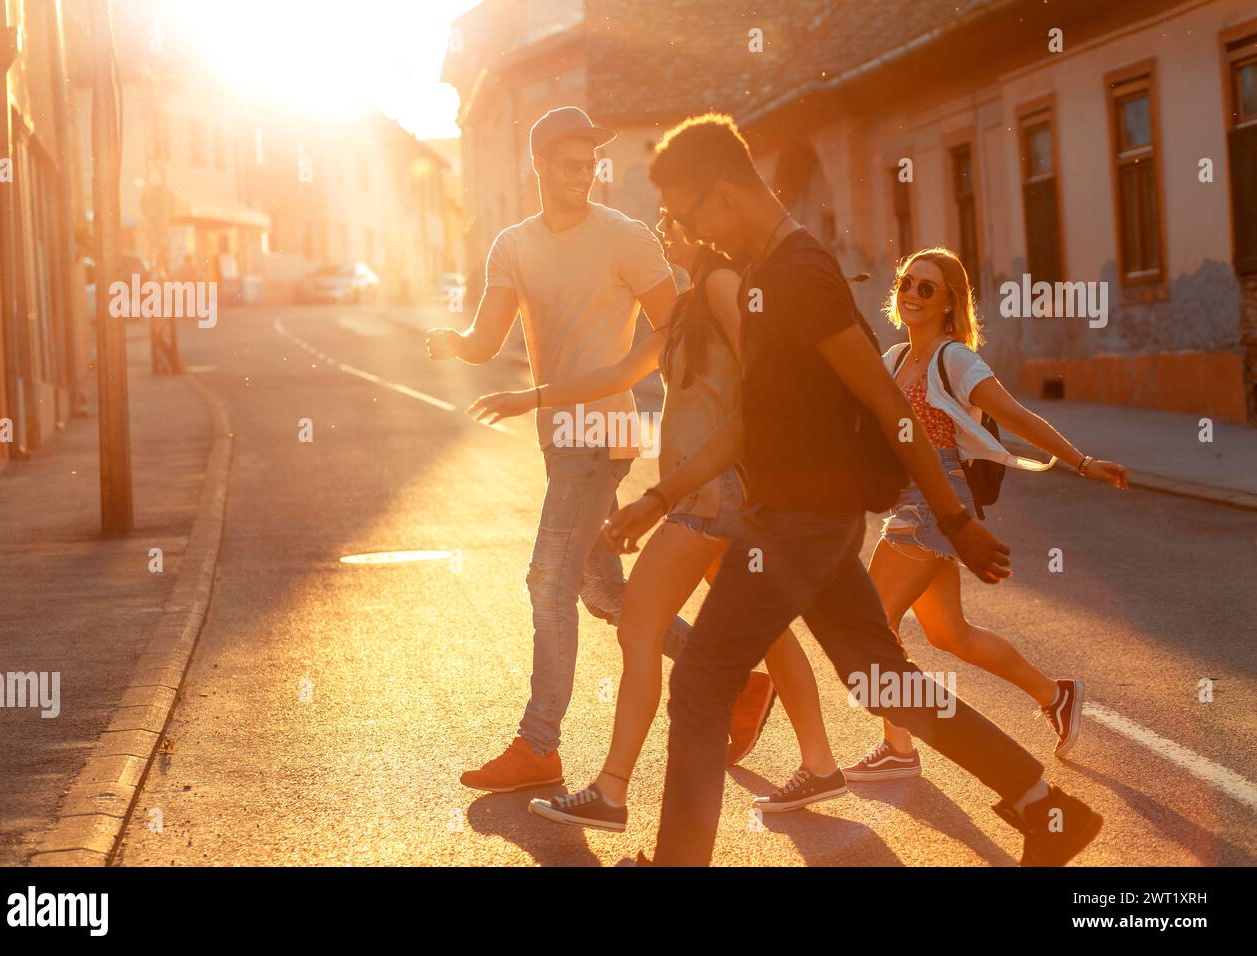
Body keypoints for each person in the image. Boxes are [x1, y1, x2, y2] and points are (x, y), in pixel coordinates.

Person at [604, 112, 1103, 867]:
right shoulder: (770, 274)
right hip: (810, 523)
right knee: (883, 683)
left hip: (800, 525)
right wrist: (662, 495)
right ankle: (1046, 811)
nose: (690, 232)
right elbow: (750, 418)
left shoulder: (799, 274)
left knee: (703, 683)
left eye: (687, 212)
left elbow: (887, 401)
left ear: (728, 192)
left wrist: (952, 517)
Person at [425, 106, 772, 793]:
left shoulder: (626, 236)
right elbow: (488, 337)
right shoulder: (513, 245)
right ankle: (737, 682)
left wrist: (685, 421)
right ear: (540, 167)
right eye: (570, 164)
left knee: (547, 581)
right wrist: (455, 343)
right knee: (604, 592)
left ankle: (539, 744)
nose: (584, 175)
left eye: (591, 163)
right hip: (561, 437)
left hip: (602, 433)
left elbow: (678, 329)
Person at [467, 214, 846, 831]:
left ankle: (612, 794)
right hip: (710, 492)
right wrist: (530, 397)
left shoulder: (722, 287)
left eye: (673, 218)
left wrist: (670, 492)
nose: (664, 229)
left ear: (705, 227)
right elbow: (620, 374)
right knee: (768, 628)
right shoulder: (689, 304)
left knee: (638, 622)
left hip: (711, 492)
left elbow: (763, 385)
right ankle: (821, 764)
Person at [842, 248, 1130, 782]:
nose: (912, 294)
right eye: (907, 282)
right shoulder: (894, 357)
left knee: (871, 625)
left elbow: (1016, 415)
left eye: (928, 288)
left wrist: (1082, 462)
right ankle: (1055, 694)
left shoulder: (956, 359)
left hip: (935, 501)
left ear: (952, 301)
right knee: (951, 633)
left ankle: (899, 748)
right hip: (913, 497)